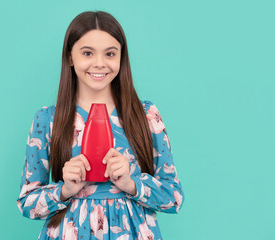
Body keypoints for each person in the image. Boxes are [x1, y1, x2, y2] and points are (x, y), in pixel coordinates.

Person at [16, 10, 184, 240]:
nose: (99, 63)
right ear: (70, 58)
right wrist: (64, 190)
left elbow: (174, 197)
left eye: (110, 53)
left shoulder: (146, 116)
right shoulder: (47, 120)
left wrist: (131, 184)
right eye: (87, 53)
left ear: (121, 58)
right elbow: (27, 202)